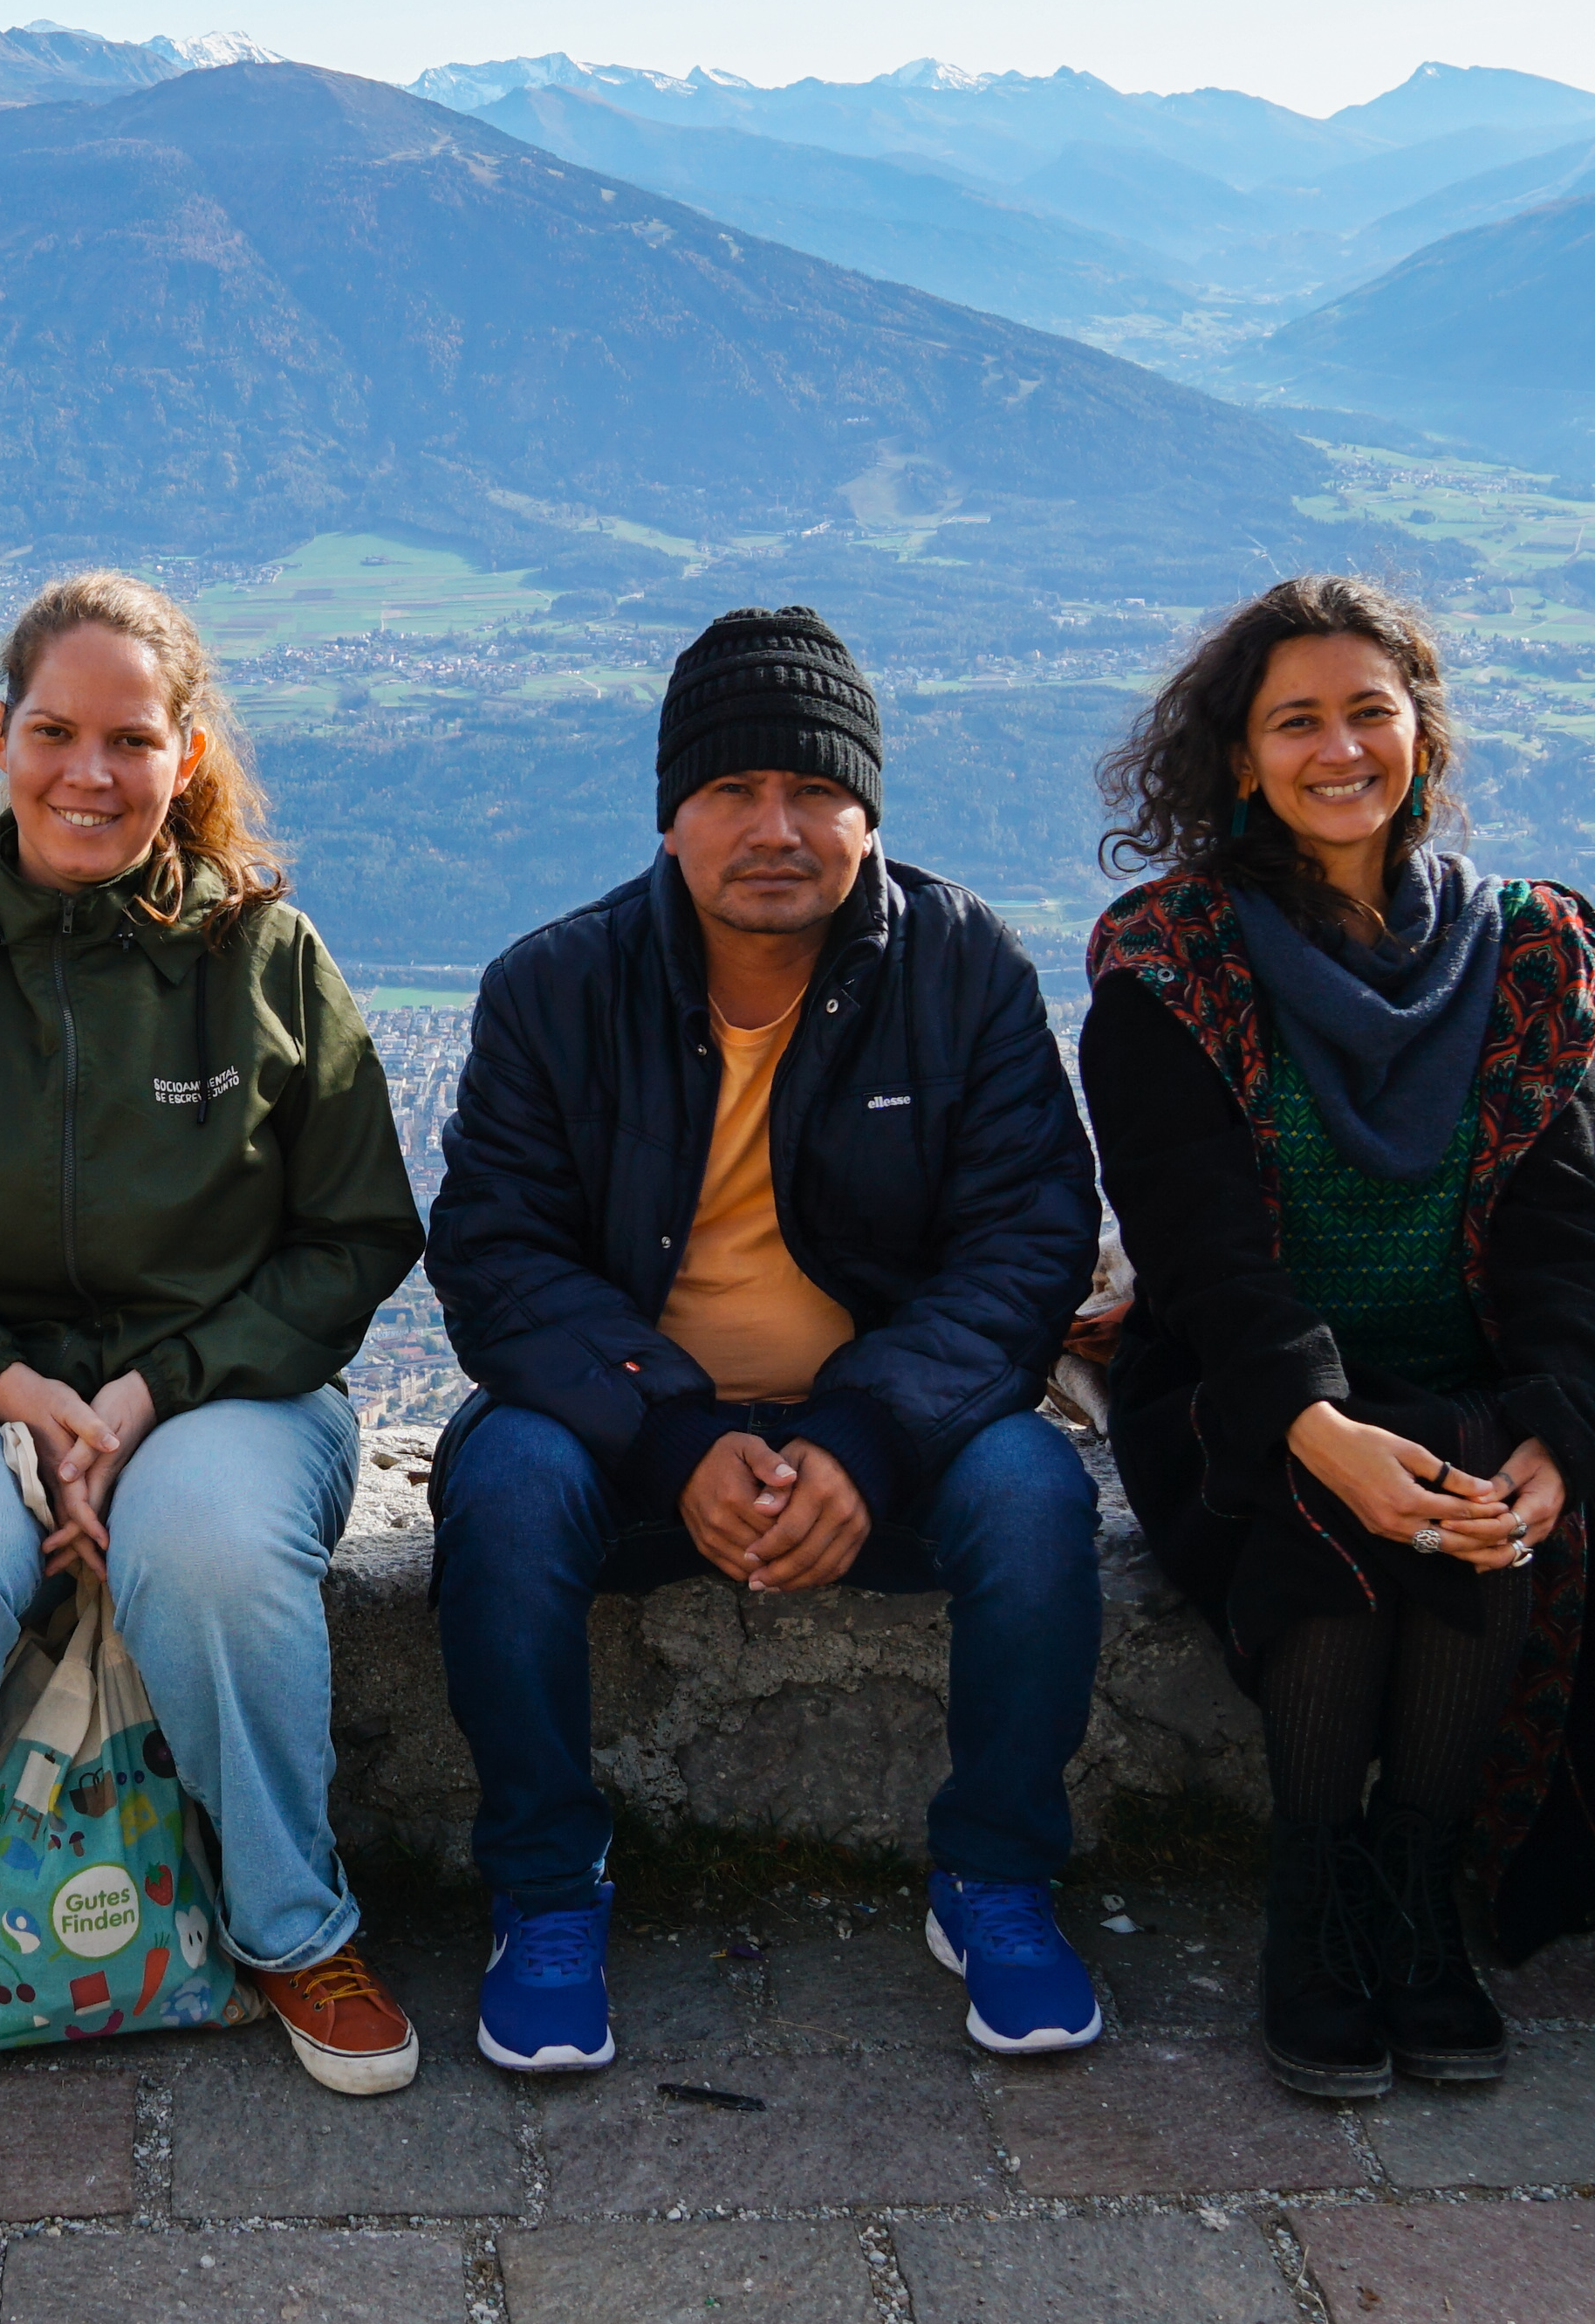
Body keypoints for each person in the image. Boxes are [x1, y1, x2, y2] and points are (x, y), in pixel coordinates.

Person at [0, 571, 429, 2103]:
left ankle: (290, 1926)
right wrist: (6, 1390)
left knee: (205, 1553)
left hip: (219, 1391)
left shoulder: (263, 958)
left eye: (131, 740)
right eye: (55, 731)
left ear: (184, 757)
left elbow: (357, 1235)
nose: (90, 774)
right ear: (0, 735)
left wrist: (144, 1393)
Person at [426, 605, 1107, 2071]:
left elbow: (1031, 1235)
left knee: (1038, 1499)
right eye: (732, 791)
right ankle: (546, 1892)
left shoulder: (963, 969)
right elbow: (494, 1256)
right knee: (501, 1490)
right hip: (630, 1430)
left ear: (869, 811)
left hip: (890, 1431)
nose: (775, 828)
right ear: (673, 818)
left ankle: (995, 1875)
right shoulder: (553, 989)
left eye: (814, 790)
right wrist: (673, 1435)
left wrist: (868, 1429)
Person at [1079, 578, 1595, 2101]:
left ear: (1422, 737)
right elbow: (1204, 1257)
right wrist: (1316, 1424)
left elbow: (1562, 1225)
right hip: (1234, 1388)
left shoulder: (1531, 954)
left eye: (1369, 713)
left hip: (1465, 1375)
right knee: (1338, 1505)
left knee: (1473, 1467)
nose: (1338, 749)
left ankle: (1414, 1893)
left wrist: (1566, 1425)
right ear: (1238, 758)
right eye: (1296, 723)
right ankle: (1315, 1885)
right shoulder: (1173, 963)